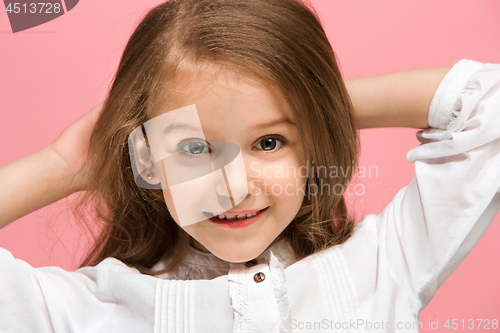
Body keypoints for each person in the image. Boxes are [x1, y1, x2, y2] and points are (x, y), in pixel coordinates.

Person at [1, 0, 499, 332]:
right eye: (195, 149)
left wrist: (314, 103)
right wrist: (60, 166)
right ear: (147, 159)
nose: (234, 188)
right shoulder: (86, 311)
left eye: (269, 141)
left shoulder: (382, 266)